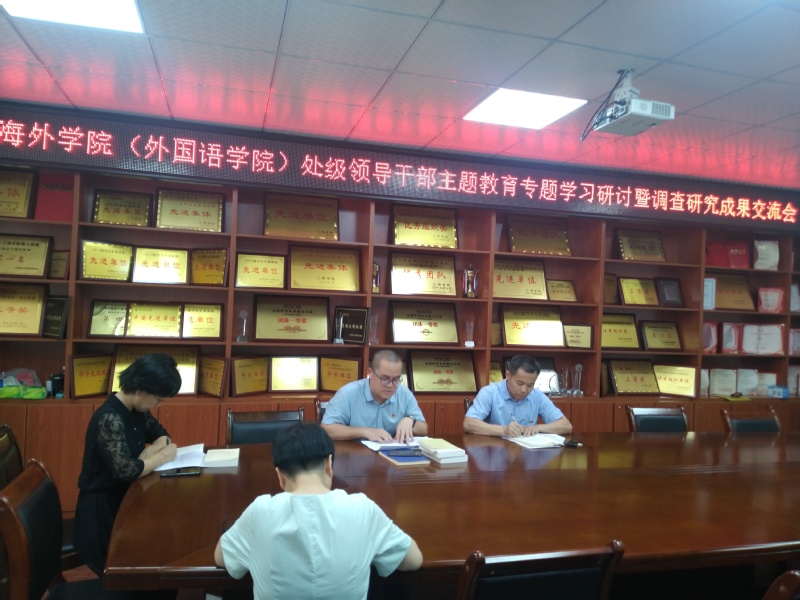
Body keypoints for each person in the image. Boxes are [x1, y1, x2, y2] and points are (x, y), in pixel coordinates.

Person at [214, 422, 423, 599]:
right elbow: (413, 559)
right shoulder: (361, 508)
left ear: (280, 476)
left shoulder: (260, 511)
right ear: (329, 465)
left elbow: (222, 557)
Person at [74, 353, 180, 577]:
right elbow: (127, 471)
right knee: (149, 566)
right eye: (159, 398)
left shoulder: (137, 410)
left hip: (126, 499)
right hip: (102, 512)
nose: (159, 404)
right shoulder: (109, 418)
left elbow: (162, 435)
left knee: (161, 545)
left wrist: (147, 456)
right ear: (140, 389)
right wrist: (160, 456)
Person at [321, 349, 427, 443]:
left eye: (396, 379)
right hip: (356, 454)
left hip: (391, 454)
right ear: (370, 373)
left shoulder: (404, 393)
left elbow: (423, 428)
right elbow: (327, 429)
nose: (390, 385)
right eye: (385, 379)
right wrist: (365, 432)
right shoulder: (348, 393)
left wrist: (410, 420)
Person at [464, 355, 572, 437]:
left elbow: (566, 426)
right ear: (508, 375)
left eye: (530, 385)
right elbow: (468, 424)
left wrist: (538, 428)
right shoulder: (490, 392)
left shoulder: (537, 396)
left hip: (527, 454)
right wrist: (503, 430)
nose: (524, 390)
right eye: (520, 383)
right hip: (495, 452)